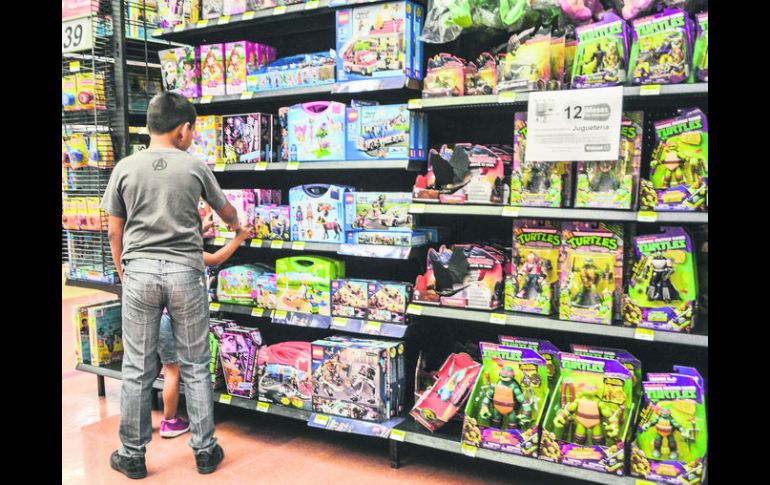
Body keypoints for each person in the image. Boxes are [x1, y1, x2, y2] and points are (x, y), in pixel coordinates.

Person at [102, 92, 241, 479]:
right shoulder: (194, 166)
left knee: (137, 367)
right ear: (183, 130)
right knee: (195, 364)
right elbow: (226, 212)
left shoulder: (125, 168)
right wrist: (236, 226)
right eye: (191, 131)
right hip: (185, 273)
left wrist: (125, 271)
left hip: (140, 272)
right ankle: (205, 451)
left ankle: (132, 455)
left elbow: (114, 231)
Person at [158, 217, 252, 438]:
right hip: (179, 317)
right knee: (185, 369)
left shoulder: (162, 249)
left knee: (166, 368)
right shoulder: (189, 253)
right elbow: (216, 258)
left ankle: (154, 419)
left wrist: (204, 227)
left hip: (159, 316)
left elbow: (181, 237)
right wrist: (239, 238)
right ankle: (171, 422)